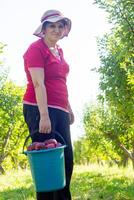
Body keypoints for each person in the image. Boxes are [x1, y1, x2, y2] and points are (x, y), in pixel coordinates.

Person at [22, 9, 74, 200]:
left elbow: (60, 82)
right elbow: (38, 83)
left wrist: (68, 107)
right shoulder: (36, 49)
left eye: (61, 26)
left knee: (66, 161)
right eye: (52, 25)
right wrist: (44, 115)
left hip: (59, 110)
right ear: (43, 28)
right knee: (48, 165)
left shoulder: (59, 50)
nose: (57, 29)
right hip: (39, 109)